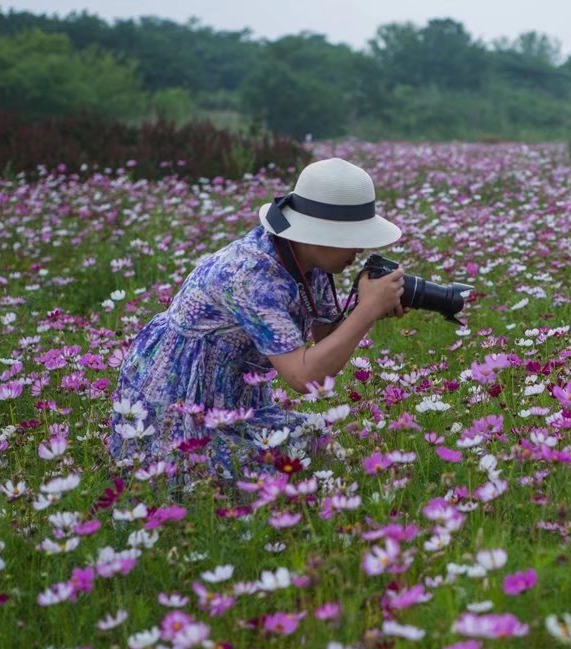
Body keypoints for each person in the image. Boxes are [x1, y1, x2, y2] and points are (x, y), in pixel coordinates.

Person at [108, 158, 407, 476]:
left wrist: (370, 308)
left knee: (312, 446)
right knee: (238, 479)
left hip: (237, 393)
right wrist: (366, 311)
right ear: (318, 232)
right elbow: (304, 378)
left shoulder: (309, 261)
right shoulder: (252, 274)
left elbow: (326, 339)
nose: (360, 248)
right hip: (178, 397)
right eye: (352, 236)